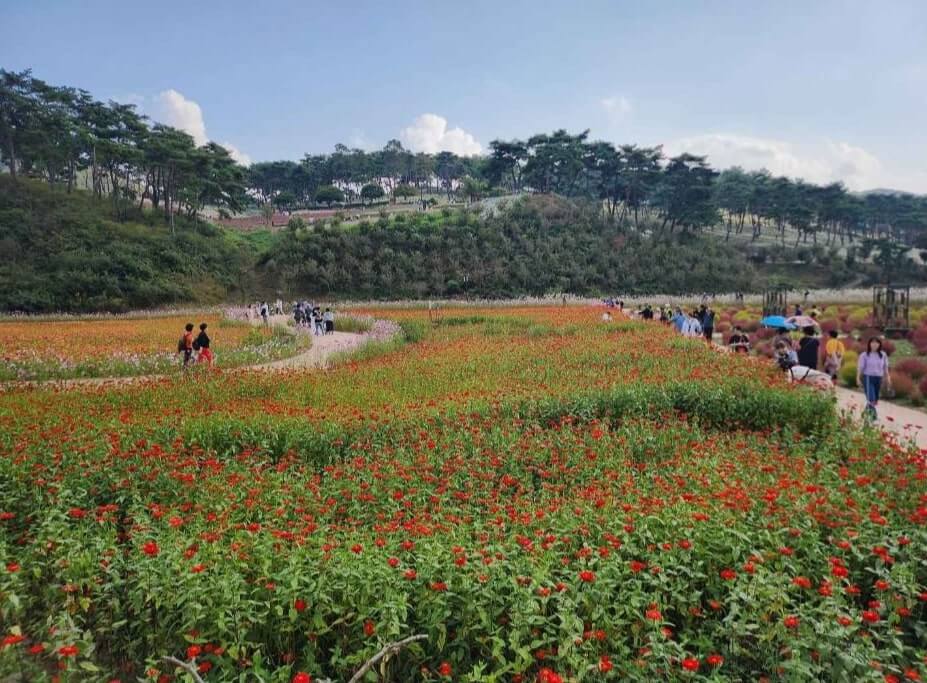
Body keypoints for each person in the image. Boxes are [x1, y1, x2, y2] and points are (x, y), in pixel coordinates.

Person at [857, 338, 891, 419]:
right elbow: (860, 368)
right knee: (871, 398)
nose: (874, 344)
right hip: (868, 378)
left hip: (879, 378)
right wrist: (857, 378)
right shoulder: (864, 355)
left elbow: (885, 368)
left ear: (879, 344)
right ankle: (873, 416)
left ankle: (865, 412)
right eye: (872, 343)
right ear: (869, 344)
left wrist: (888, 378)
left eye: (876, 343)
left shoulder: (883, 355)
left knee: (875, 400)